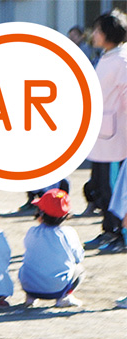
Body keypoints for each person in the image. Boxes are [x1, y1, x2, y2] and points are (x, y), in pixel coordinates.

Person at [84, 9, 127, 253]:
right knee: (101, 186)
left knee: (114, 189)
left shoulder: (121, 60)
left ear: (110, 33)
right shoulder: (106, 56)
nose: (95, 34)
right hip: (102, 133)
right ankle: (107, 231)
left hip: (117, 137)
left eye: (99, 30)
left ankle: (119, 234)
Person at [20, 189, 85, 308]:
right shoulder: (68, 232)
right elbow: (79, 257)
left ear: (41, 214)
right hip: (56, 288)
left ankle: (30, 298)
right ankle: (64, 297)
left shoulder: (32, 231)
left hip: (30, 287)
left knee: (28, 265)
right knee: (79, 268)